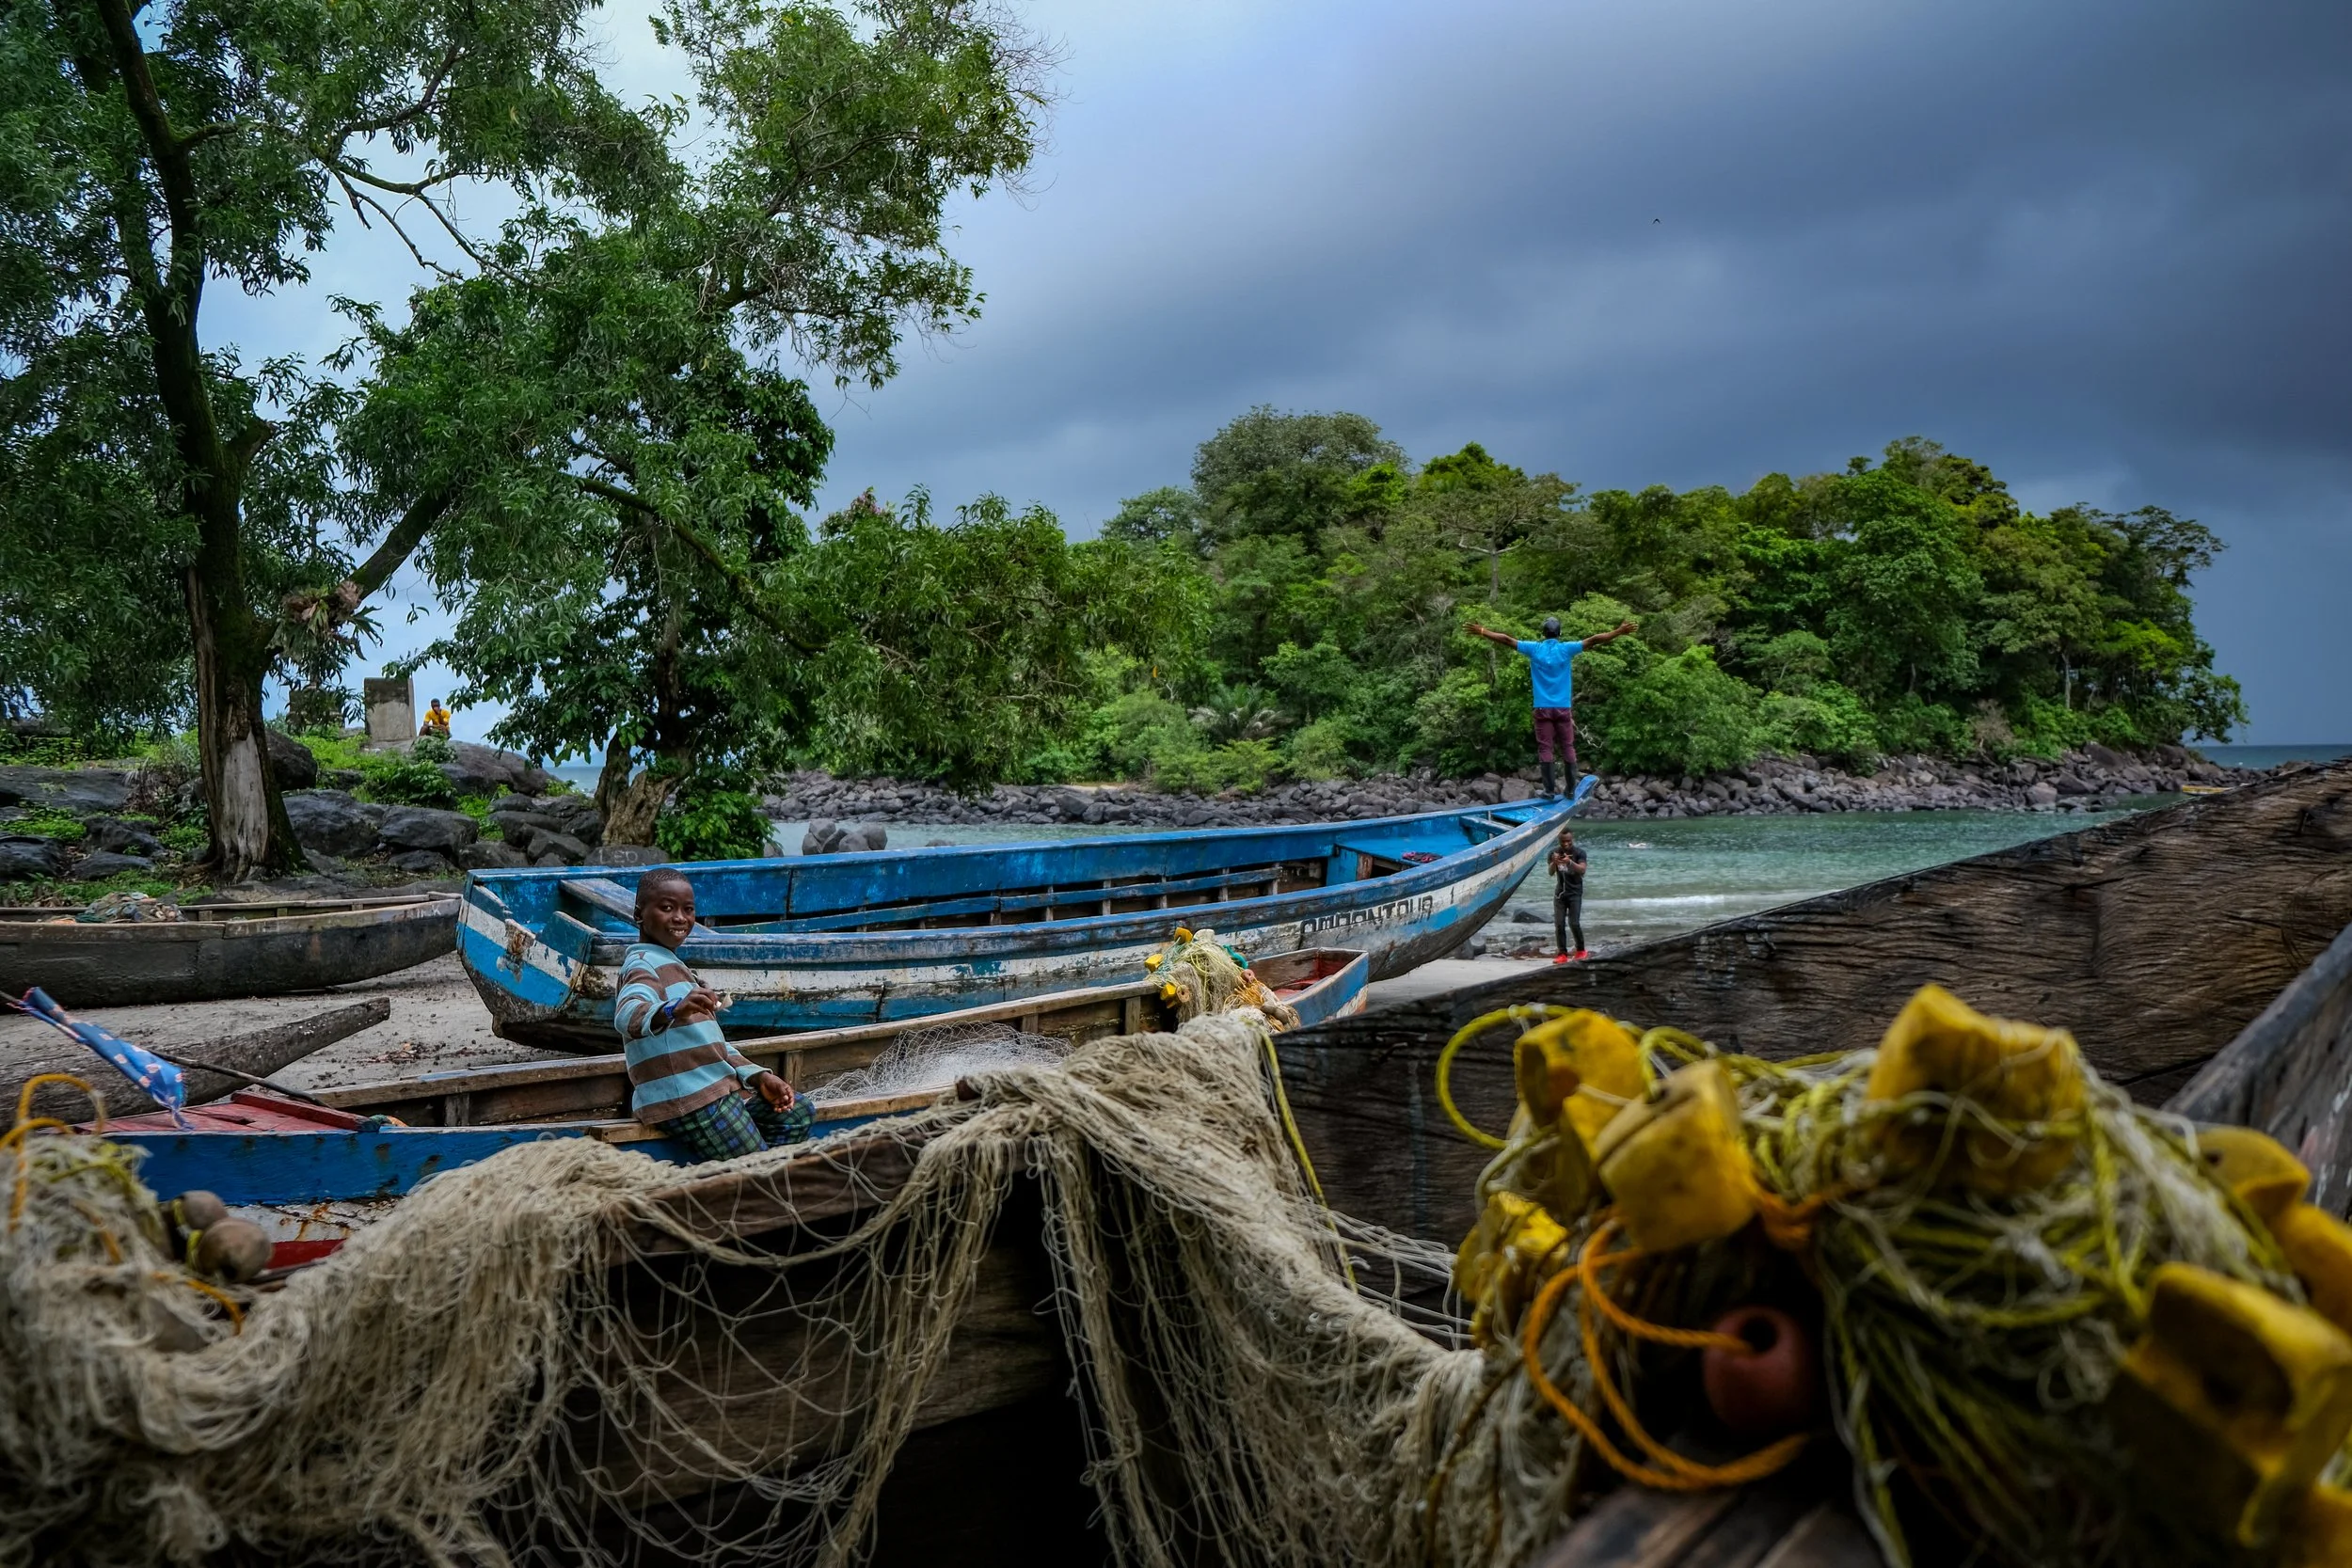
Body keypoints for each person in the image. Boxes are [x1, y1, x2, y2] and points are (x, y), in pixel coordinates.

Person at [616, 868, 813, 1161]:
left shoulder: (679, 970)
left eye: (688, 909)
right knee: (759, 1170)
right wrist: (672, 1009)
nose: (680, 917)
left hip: (716, 1091)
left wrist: (757, 1077)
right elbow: (627, 1014)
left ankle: (742, 1180)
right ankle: (755, 1185)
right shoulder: (642, 964)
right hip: (689, 1100)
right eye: (667, 908)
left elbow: (714, 1046)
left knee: (797, 1113)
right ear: (639, 915)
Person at [1462, 614, 1638, 797]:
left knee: (1545, 748)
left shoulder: (1534, 649)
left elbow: (1507, 640)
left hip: (1542, 708)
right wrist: (1619, 631)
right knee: (1568, 746)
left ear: (1543, 633)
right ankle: (1570, 789)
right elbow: (1594, 640)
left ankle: (1549, 790)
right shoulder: (1566, 649)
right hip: (1563, 708)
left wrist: (1482, 631)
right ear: (1559, 633)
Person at [1548, 826, 1588, 963]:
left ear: (1572, 839)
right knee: (1559, 924)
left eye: (1568, 841)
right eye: (1563, 841)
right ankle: (1562, 954)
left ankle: (1581, 950)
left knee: (1574, 923)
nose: (1566, 844)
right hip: (1560, 894)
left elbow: (1582, 870)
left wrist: (1570, 862)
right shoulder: (1554, 853)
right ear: (1559, 840)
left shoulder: (1579, 853)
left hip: (1575, 893)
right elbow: (1550, 872)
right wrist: (1554, 862)